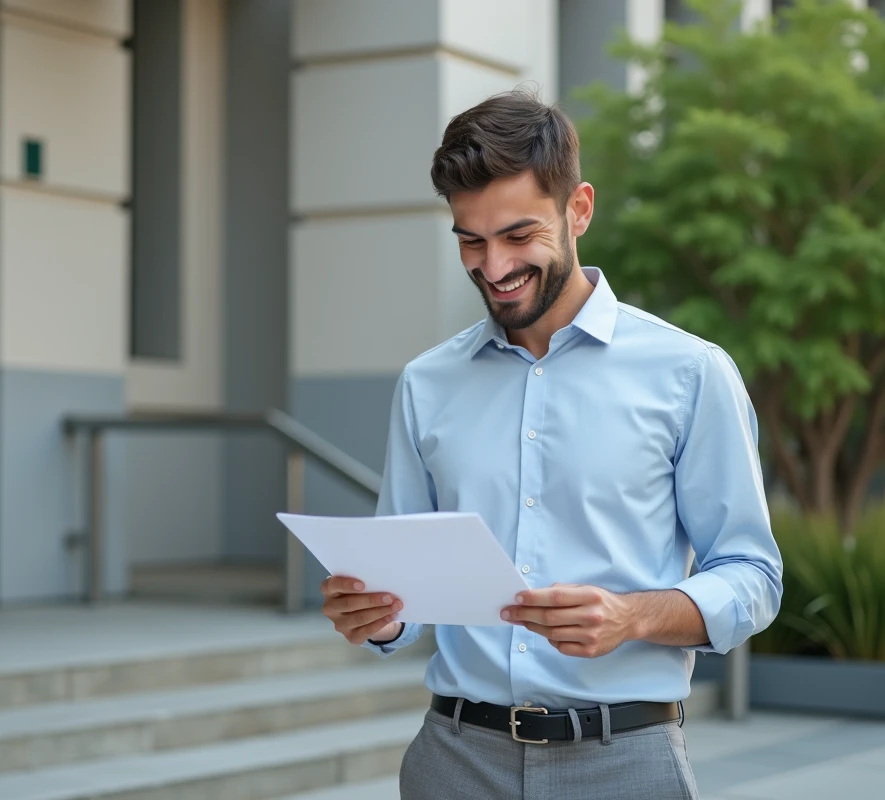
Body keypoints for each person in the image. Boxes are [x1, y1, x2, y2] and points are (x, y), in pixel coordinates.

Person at [319, 90, 783, 799]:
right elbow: (405, 587)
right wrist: (377, 615)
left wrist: (633, 617)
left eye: (517, 235)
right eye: (470, 239)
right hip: (453, 761)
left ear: (580, 210)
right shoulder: (426, 383)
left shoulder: (690, 373)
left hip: (625, 761)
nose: (493, 266)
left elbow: (753, 576)